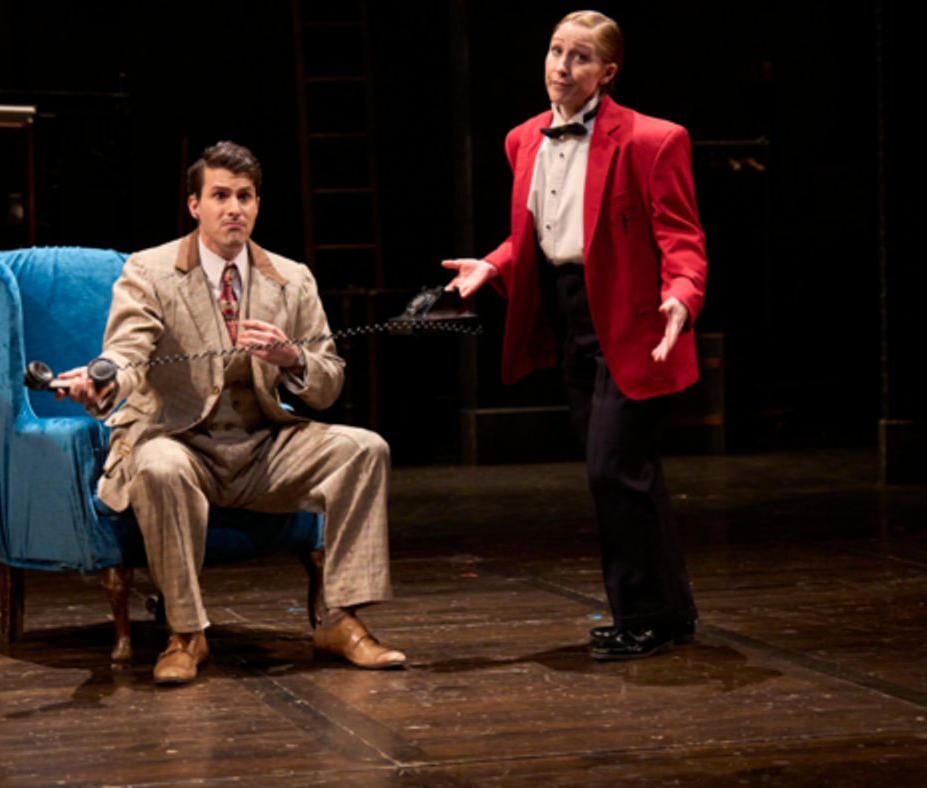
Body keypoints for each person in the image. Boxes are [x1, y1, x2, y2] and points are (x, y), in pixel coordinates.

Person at [59, 141, 405, 684]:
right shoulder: (149, 271)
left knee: (364, 449)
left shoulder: (291, 278)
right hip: (181, 440)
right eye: (220, 195)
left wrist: (290, 356)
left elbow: (330, 382)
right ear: (195, 205)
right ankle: (186, 634)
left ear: (258, 204)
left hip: (263, 446)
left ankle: (341, 620)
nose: (234, 208)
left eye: (244, 196)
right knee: (158, 465)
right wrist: (100, 380)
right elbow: (126, 352)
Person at [443, 10, 706, 660]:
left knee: (612, 470)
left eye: (580, 57)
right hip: (569, 317)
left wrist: (681, 298)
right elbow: (537, 232)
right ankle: (669, 612)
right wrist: (495, 263)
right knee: (632, 473)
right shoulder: (522, 141)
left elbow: (682, 239)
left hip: (635, 322)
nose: (562, 66)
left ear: (607, 72)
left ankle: (640, 614)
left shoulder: (653, 139)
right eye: (556, 51)